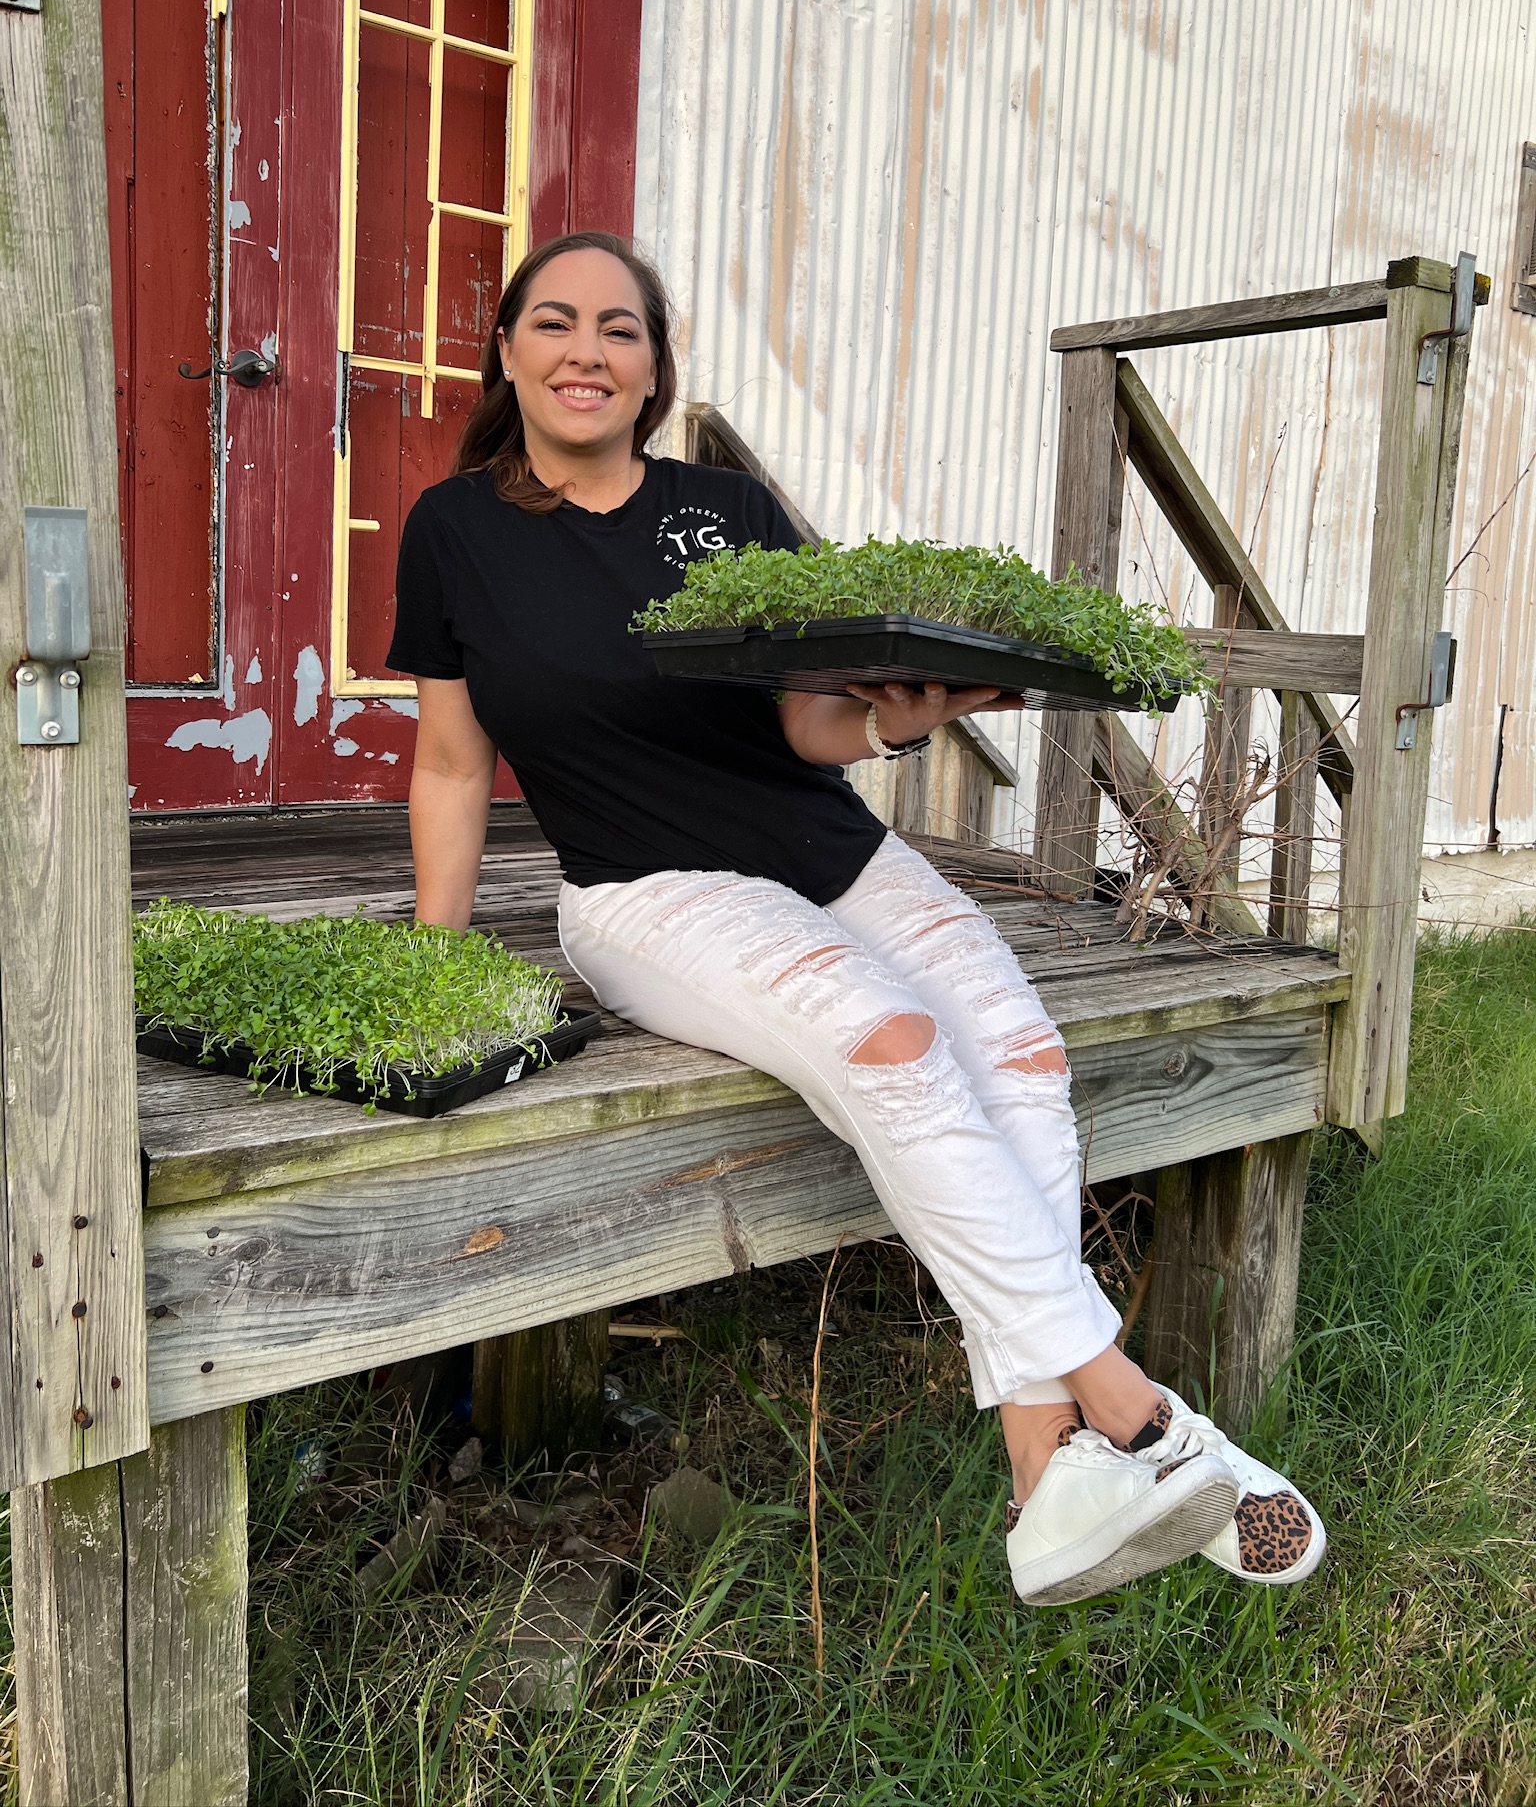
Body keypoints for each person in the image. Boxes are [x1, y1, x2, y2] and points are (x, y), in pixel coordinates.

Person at [387, 229, 1325, 1604]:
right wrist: (438, 956)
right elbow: (453, 763)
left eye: (621, 329)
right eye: (554, 322)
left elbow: (813, 727)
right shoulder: (453, 530)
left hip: (826, 847)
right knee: (891, 1041)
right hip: (645, 892)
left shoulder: (727, 514)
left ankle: (1042, 1472)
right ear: (510, 352)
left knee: (1022, 1053)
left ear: (654, 365)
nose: (587, 351)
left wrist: (896, 715)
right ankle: (1133, 1412)